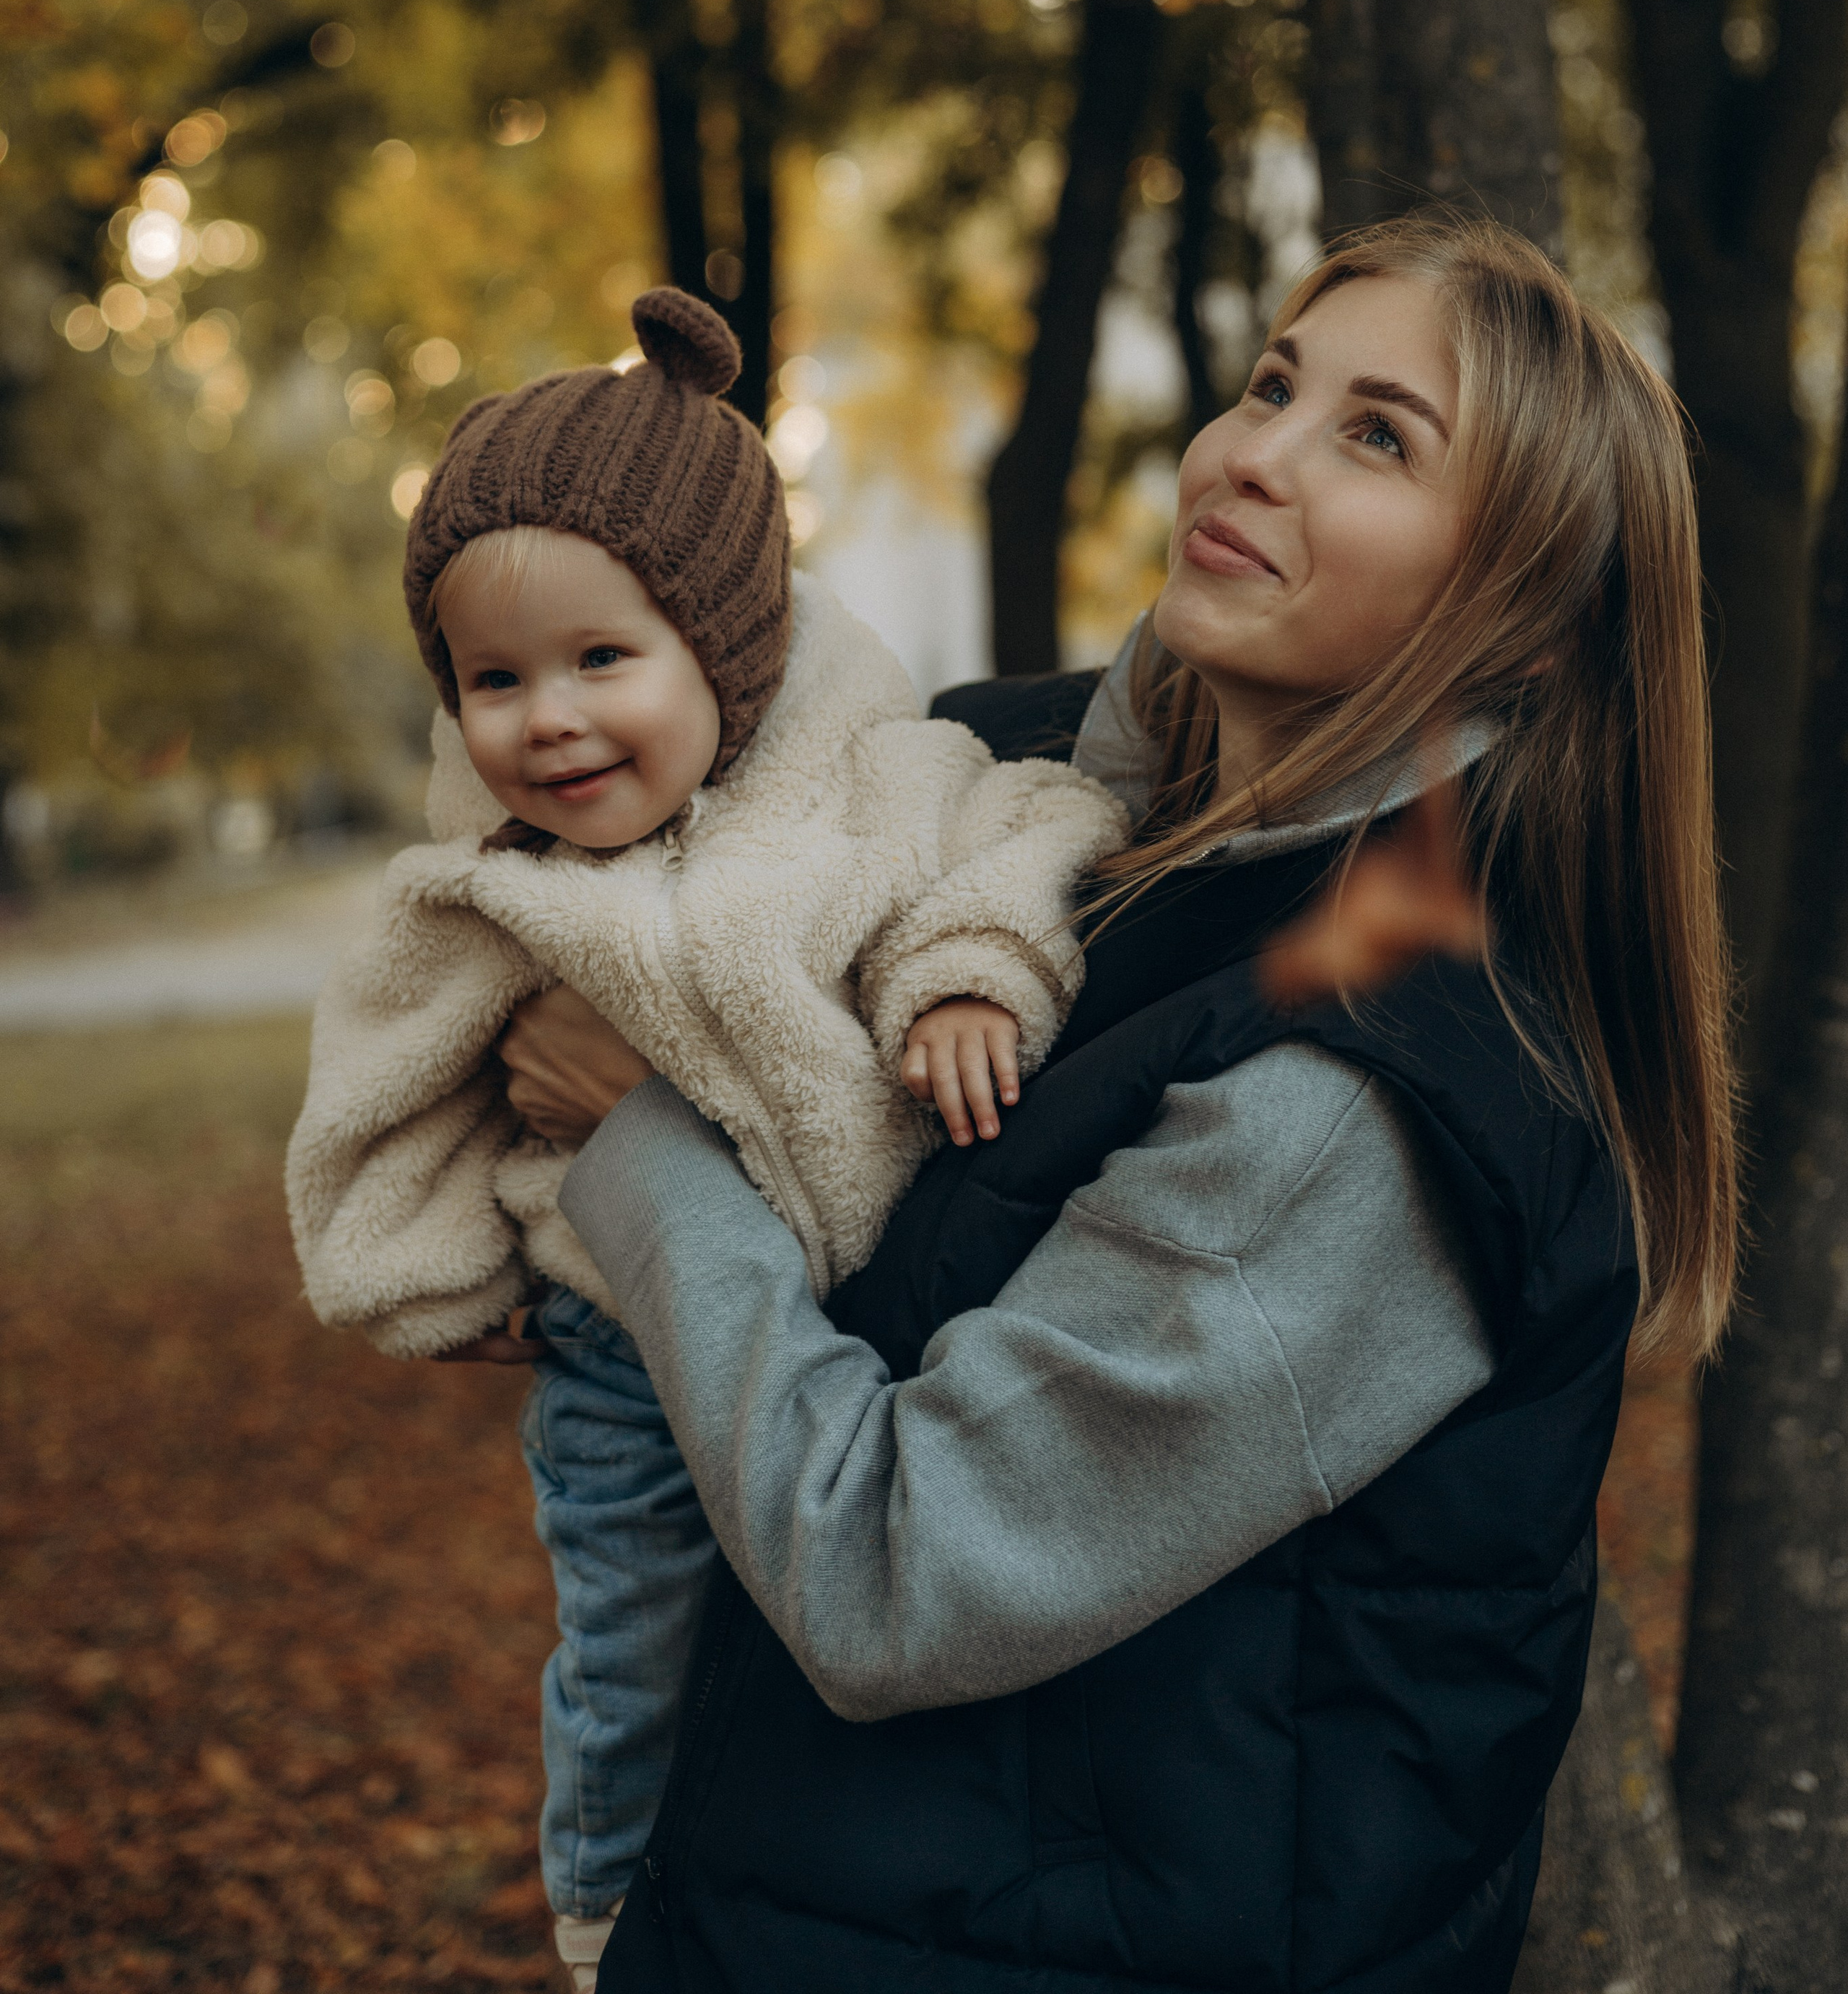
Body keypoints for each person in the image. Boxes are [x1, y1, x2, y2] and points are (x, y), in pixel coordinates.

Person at [491, 212, 1740, 1994]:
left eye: (1375, 437)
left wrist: (638, 1155)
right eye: (1273, 385)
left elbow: (891, 1572)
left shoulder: (1363, 1093)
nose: (1253, 454)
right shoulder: (991, 784)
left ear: (1524, 631)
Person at [284, 284, 1123, 1993]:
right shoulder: (492, 896)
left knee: (832, 1654)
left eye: (602, 660)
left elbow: (1032, 827)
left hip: (868, 1308)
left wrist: (967, 983)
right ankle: (608, 1911)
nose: (548, 718)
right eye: (494, 680)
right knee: (637, 1640)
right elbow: (385, 1083)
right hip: (618, 1347)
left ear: (723, 650)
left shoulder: (862, 794)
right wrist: (428, 1278)